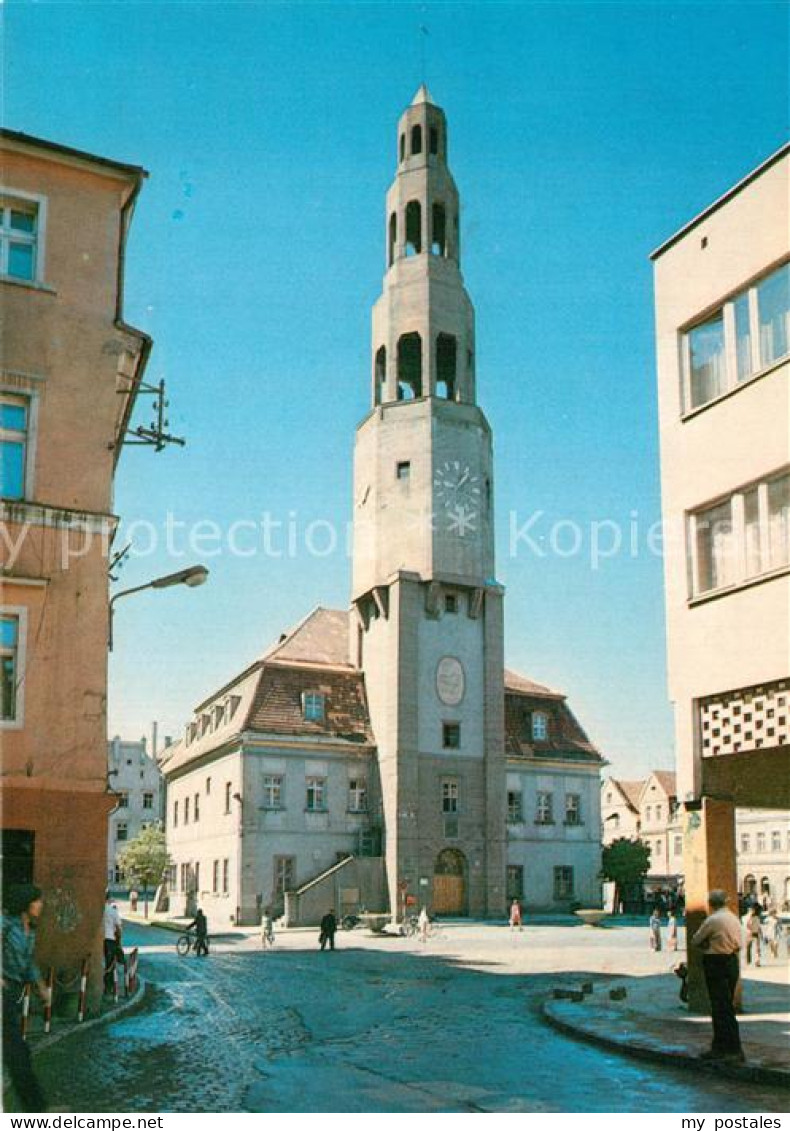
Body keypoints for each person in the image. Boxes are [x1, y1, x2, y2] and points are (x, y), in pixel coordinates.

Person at [2, 884, 49, 1112]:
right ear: (26, 903)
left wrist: (42, 988)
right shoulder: (6, 924)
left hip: (12, 993)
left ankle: (35, 1108)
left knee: (17, 1052)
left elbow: (29, 963)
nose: (41, 905)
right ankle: (36, 1110)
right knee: (17, 1052)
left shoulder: (30, 929)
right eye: (37, 900)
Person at [691, 889, 744, 1062]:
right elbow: (740, 944)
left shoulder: (713, 920)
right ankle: (730, 1047)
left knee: (719, 1007)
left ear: (711, 903)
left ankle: (725, 1048)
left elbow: (696, 940)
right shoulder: (733, 918)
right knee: (727, 1005)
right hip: (731, 961)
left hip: (715, 961)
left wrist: (709, 944)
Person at [103, 892, 123, 992]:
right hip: (110, 939)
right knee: (109, 963)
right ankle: (108, 987)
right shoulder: (112, 911)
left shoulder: (97, 911)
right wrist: (119, 941)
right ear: (108, 899)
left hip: (98, 941)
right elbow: (119, 928)